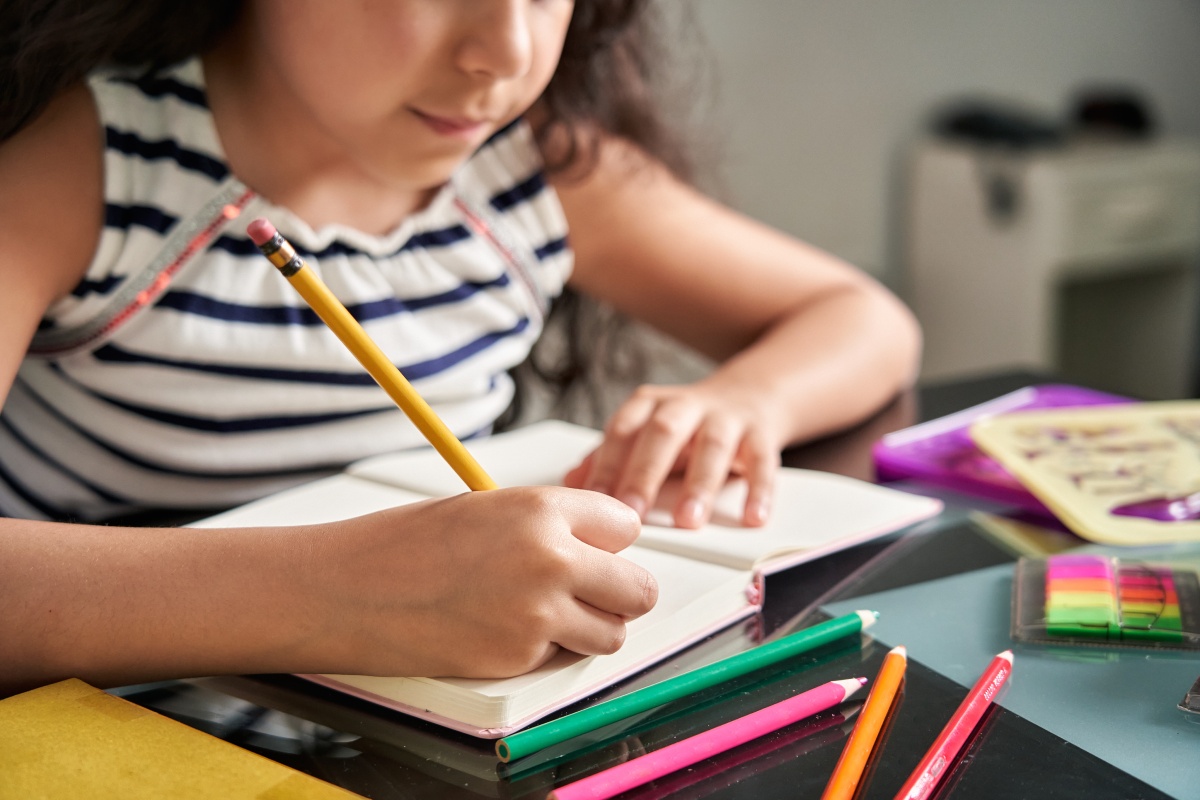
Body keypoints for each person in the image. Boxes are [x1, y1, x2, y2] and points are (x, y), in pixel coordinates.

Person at [0, 0, 921, 697]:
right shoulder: (82, 166)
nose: (506, 53)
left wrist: (743, 400)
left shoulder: (527, 173)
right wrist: (347, 597)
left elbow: (864, 320)